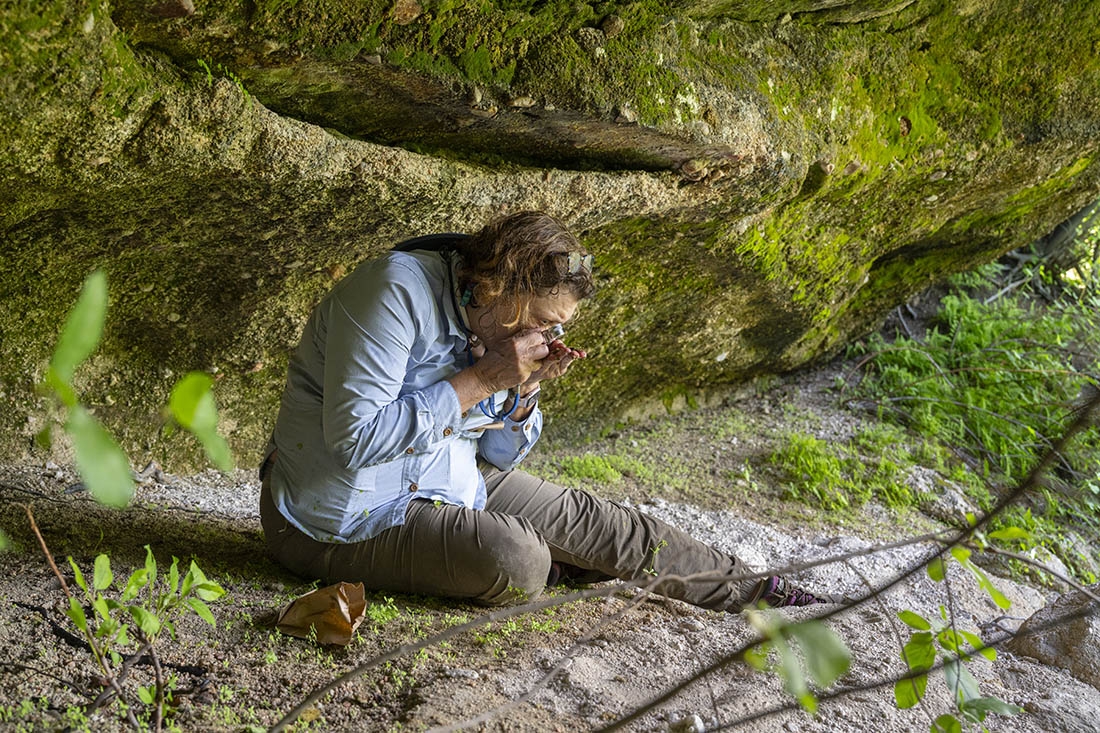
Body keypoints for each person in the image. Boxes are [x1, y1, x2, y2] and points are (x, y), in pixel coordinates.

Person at [259, 211, 832, 610]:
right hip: (337, 517)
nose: (546, 336)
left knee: (606, 524)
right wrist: (482, 378)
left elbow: (499, 453)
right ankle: (555, 563)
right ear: (493, 286)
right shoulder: (393, 290)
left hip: (447, 478)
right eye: (540, 321)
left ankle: (760, 592)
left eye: (558, 327)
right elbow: (353, 440)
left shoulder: (496, 322)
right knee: (519, 560)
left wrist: (522, 393)